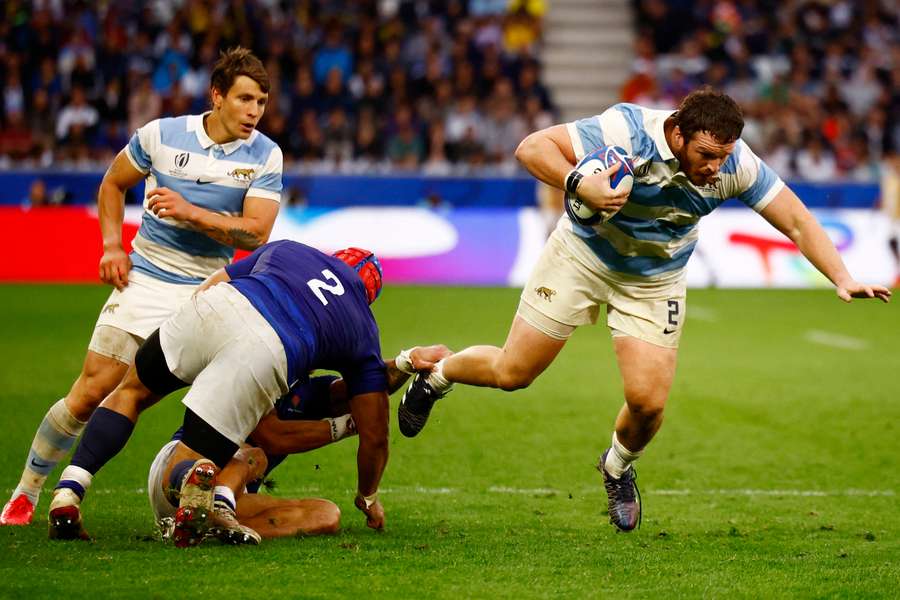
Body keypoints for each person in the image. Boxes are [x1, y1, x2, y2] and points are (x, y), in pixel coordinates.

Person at [397, 89, 892, 532]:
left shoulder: (738, 164)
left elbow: (800, 223)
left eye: (723, 157)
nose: (715, 168)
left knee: (649, 403)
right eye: (706, 155)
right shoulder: (625, 131)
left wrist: (842, 277)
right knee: (513, 372)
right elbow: (531, 148)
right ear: (677, 132)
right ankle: (438, 374)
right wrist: (578, 183)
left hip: (655, 278)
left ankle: (616, 468)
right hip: (581, 257)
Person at [1, 47, 282, 526]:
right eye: (245, 99)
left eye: (261, 101)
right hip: (147, 279)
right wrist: (112, 246)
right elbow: (112, 184)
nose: (255, 111)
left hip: (208, 292)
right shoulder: (162, 135)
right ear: (217, 96)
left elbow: (256, 233)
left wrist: (190, 211)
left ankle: (221, 497)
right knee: (91, 392)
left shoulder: (264, 154)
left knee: (241, 404)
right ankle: (27, 492)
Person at [46, 241, 390, 543]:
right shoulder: (360, 326)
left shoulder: (290, 249)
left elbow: (211, 286)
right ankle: (190, 487)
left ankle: (69, 490)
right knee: (200, 457)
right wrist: (369, 494)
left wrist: (201, 347)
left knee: (130, 391)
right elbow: (375, 435)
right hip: (268, 347)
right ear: (368, 297)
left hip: (217, 304)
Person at [148, 346, 451, 544]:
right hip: (182, 470)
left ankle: (205, 529)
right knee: (253, 456)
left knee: (327, 515)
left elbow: (367, 386)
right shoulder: (256, 370)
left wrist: (407, 361)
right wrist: (349, 425)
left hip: (231, 492)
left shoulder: (307, 388)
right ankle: (214, 509)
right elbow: (272, 437)